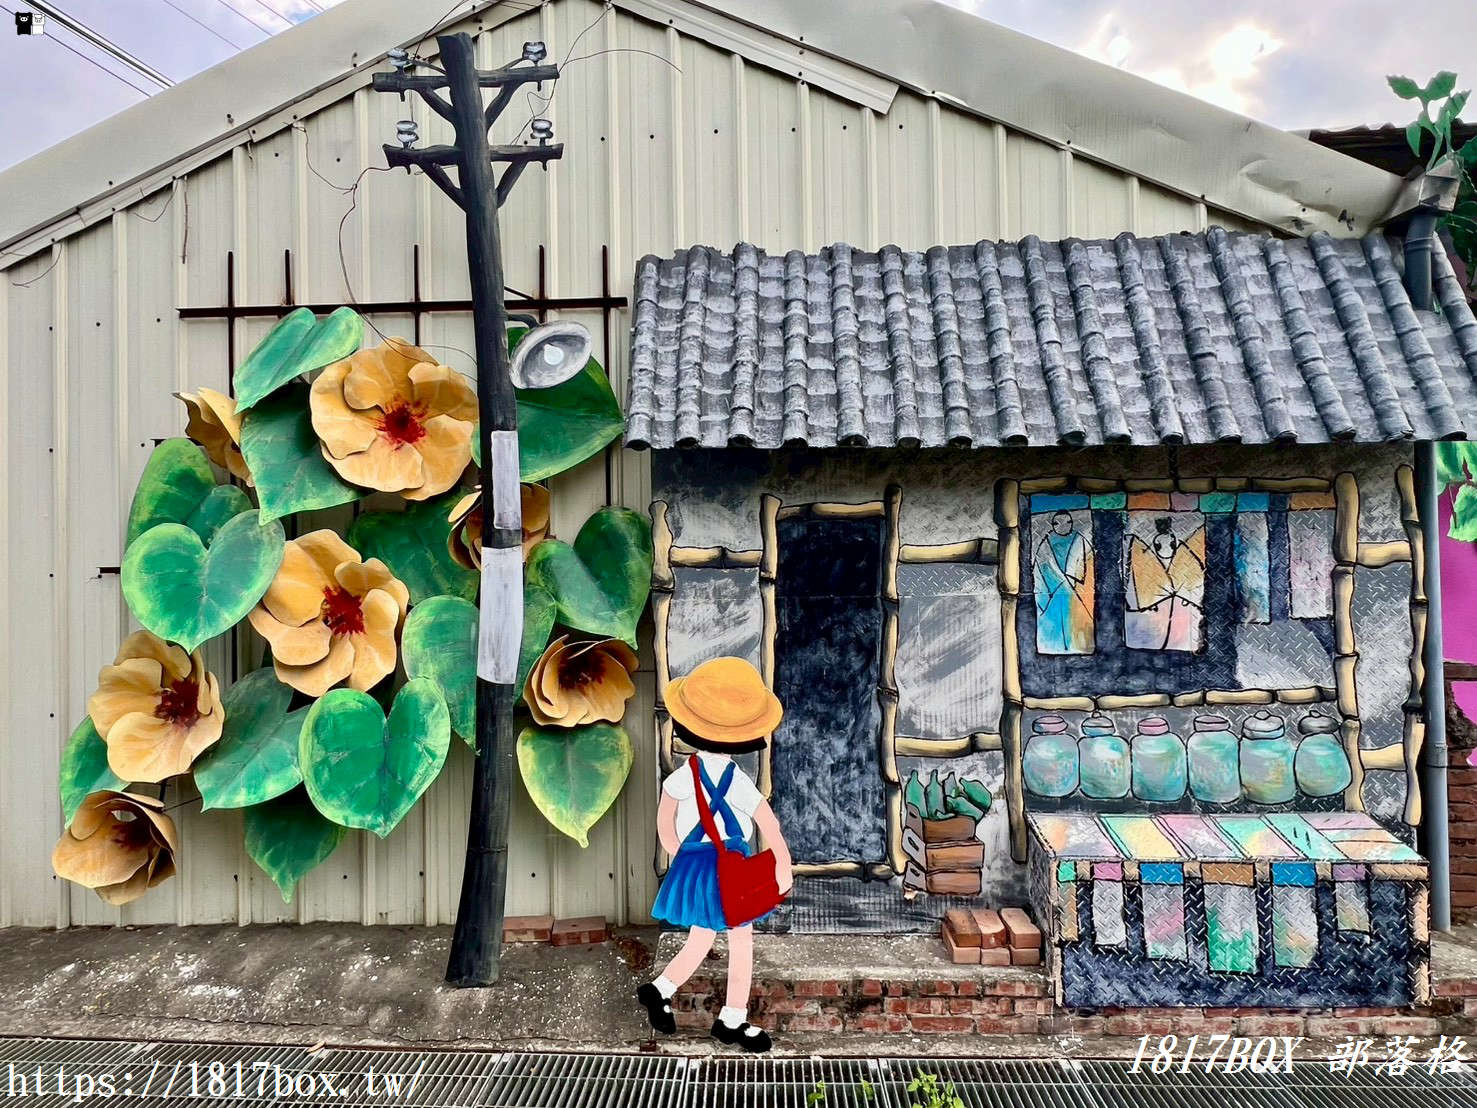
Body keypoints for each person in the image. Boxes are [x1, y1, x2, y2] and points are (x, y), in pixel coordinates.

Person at [636, 656, 793, 1053]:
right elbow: (768, 824)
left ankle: (660, 989)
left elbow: (663, 820)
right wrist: (783, 865)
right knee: (741, 942)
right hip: (730, 872)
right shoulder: (738, 781)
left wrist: (681, 856)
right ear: (746, 732)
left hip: (696, 867)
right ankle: (732, 1019)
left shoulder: (681, 776)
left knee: (701, 938)